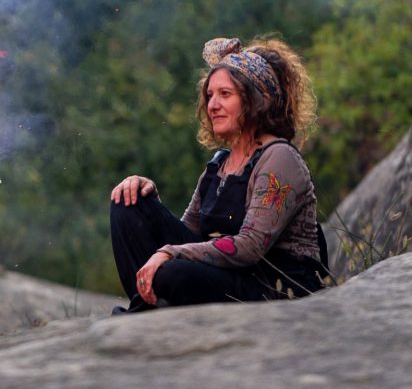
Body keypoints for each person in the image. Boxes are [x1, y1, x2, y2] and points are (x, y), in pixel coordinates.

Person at [109, 36, 328, 313]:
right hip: (229, 277)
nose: (212, 105)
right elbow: (188, 233)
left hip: (271, 287)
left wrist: (169, 253)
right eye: (210, 95)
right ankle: (146, 309)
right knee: (128, 204)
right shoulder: (220, 164)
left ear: (256, 101)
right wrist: (149, 200)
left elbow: (250, 246)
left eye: (225, 94)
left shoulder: (279, 157)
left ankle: (143, 315)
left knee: (173, 272)